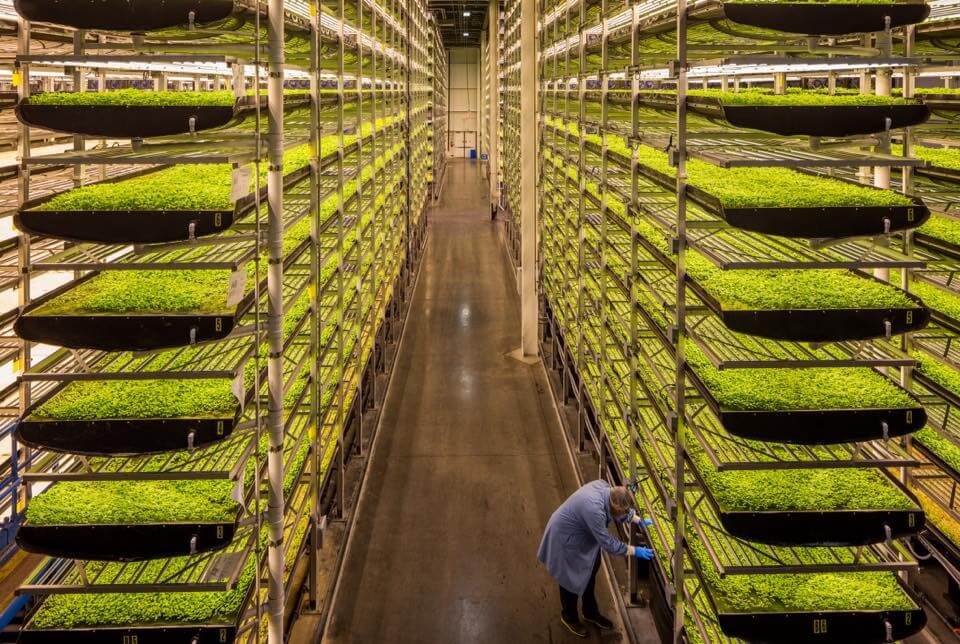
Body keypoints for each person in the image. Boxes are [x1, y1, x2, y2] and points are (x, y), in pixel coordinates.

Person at [537, 480, 654, 637]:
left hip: (583, 538)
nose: (623, 515)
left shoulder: (605, 487)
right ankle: (569, 617)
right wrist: (634, 550)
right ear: (615, 507)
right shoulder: (594, 510)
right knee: (569, 580)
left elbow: (620, 508)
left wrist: (637, 520)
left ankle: (590, 612)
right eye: (622, 512)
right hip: (565, 539)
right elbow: (608, 543)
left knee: (591, 570)